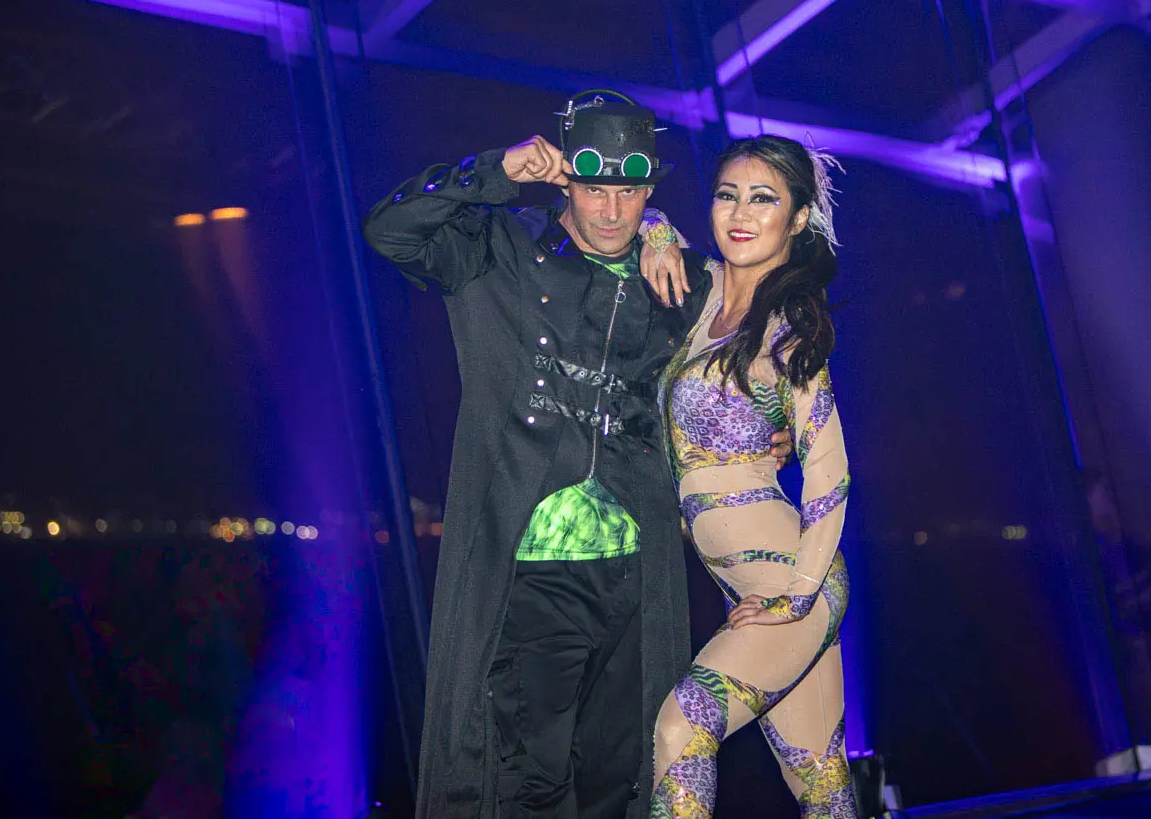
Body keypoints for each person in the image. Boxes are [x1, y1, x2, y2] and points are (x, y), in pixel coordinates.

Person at [362, 90, 791, 819]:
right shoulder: (502, 248)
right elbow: (389, 230)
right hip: (536, 571)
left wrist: (766, 436)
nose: (611, 212)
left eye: (630, 194)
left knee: (619, 778)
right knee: (531, 777)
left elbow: (742, 376)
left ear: (650, 191)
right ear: (565, 179)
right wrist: (495, 169)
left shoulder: (680, 283)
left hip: (637, 573)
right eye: (595, 190)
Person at [648, 135, 856, 816]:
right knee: (823, 788)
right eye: (727, 195)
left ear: (798, 219)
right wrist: (656, 230)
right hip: (747, 586)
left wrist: (795, 598)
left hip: (796, 582)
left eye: (763, 198)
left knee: (681, 728)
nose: (740, 213)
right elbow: (643, 217)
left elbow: (828, 471)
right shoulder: (705, 294)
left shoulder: (788, 329)